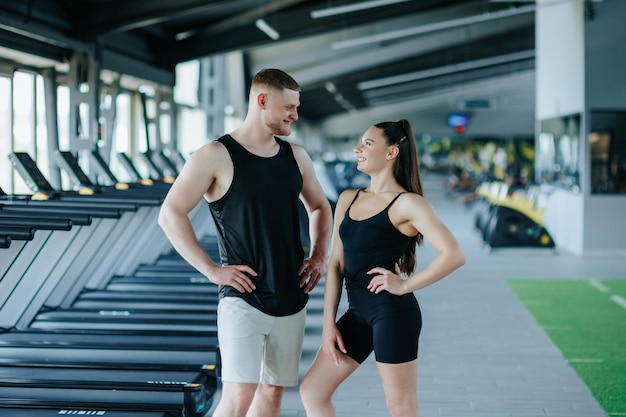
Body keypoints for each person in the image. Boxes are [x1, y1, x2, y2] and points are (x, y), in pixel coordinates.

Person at [157, 68, 332, 417]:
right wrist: (210, 270)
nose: (295, 115)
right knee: (238, 396)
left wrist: (318, 256)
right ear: (262, 100)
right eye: (289, 107)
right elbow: (170, 213)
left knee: (272, 395)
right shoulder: (214, 155)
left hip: (291, 296)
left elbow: (320, 207)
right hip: (242, 297)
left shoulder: (296, 156)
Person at [299, 119, 466, 417]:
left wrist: (403, 285)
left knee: (400, 405)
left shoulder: (408, 204)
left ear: (391, 153)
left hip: (393, 314)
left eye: (367, 144)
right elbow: (336, 262)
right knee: (312, 391)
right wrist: (328, 325)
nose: (358, 149)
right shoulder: (349, 198)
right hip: (357, 314)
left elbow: (454, 254)